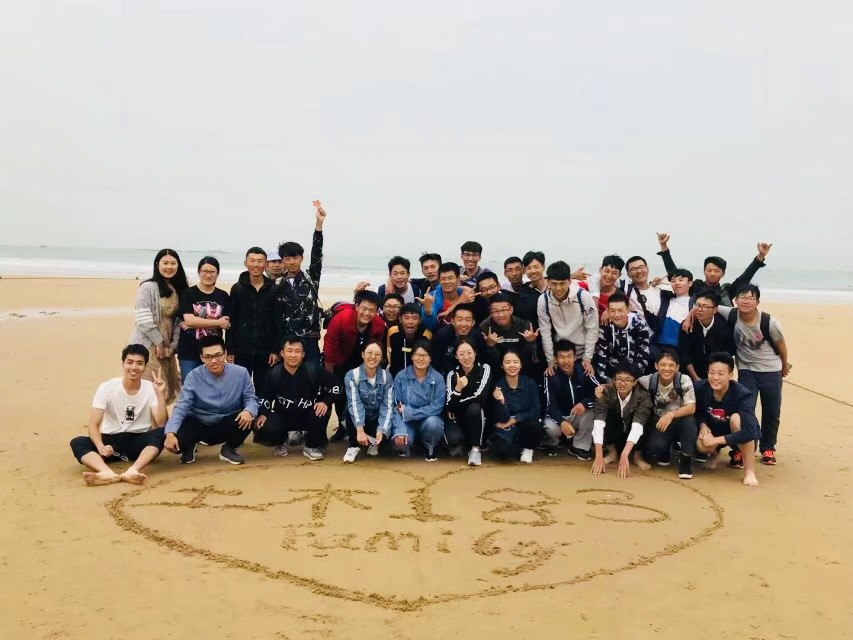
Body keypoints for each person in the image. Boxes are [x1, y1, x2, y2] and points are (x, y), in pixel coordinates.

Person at [69, 344, 167, 486]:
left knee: (162, 433)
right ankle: (106, 472)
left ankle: (133, 470)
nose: (134, 367)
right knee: (78, 442)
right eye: (130, 362)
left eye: (139, 363)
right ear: (123, 364)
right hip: (111, 441)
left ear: (145, 366)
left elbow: (162, 422)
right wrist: (101, 446)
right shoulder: (107, 387)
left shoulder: (150, 388)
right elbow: (94, 425)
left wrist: (160, 394)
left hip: (139, 441)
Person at [717, 285, 791, 464]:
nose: (746, 301)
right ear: (736, 300)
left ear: (757, 302)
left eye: (751, 298)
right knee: (745, 411)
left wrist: (783, 366)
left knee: (771, 411)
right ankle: (741, 450)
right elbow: (707, 305)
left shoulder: (768, 322)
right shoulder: (731, 314)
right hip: (747, 370)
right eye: (742, 297)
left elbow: (781, 346)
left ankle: (768, 448)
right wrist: (691, 314)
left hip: (770, 370)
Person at [163, 335, 259, 465]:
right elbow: (181, 406)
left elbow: (251, 398)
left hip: (227, 421)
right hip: (199, 422)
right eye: (208, 357)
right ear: (202, 358)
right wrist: (170, 432)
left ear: (225, 354)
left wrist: (249, 411)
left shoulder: (241, 373)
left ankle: (229, 449)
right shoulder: (193, 376)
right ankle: (190, 445)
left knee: (249, 417)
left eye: (218, 355)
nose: (214, 361)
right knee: (177, 444)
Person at [254, 337, 342, 461]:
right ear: (282, 353)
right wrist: (263, 413)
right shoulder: (273, 373)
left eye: (297, 351)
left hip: (308, 415)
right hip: (283, 416)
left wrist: (325, 401)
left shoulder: (313, 370)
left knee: (322, 412)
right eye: (289, 351)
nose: (293, 355)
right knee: (266, 425)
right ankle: (280, 442)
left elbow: (337, 386)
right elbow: (265, 397)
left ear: (303, 354)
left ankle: (311, 446)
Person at [323, 290, 387, 438]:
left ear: (377, 311)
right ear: (356, 306)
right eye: (364, 308)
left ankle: (356, 426)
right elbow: (329, 348)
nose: (367, 313)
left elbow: (377, 348)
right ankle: (341, 426)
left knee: (359, 394)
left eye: (372, 310)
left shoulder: (378, 324)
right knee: (338, 393)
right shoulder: (341, 319)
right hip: (339, 360)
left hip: (362, 361)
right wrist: (329, 376)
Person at [131, 248, 189, 405]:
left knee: (165, 389)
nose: (169, 267)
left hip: (167, 348)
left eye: (173, 263)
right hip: (148, 344)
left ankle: (161, 420)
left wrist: (173, 346)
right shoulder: (148, 287)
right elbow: (143, 319)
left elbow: (180, 321)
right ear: (157, 264)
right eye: (165, 263)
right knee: (148, 388)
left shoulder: (179, 289)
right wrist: (158, 343)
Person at [693, 351, 761, 486]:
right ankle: (714, 455)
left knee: (736, 419)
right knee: (701, 445)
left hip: (738, 433)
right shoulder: (700, 387)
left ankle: (749, 471)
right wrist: (702, 425)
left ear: (730, 375)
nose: (715, 377)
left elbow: (749, 432)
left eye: (720, 374)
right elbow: (698, 411)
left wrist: (715, 440)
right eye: (711, 373)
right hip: (714, 429)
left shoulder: (743, 395)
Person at [272, 202, 327, 364]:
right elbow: (274, 318)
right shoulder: (276, 284)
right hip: (287, 342)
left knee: (312, 376)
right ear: (283, 260)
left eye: (295, 258)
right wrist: (276, 347)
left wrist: (319, 225)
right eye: (287, 258)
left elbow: (317, 254)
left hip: (310, 340)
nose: (292, 262)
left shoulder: (311, 278)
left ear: (301, 258)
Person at [656, 233, 773, 305]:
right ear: (704, 271)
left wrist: (760, 256)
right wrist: (663, 246)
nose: (712, 273)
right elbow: (674, 274)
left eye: (717, 271)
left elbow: (745, 277)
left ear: (723, 273)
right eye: (709, 270)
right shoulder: (695, 286)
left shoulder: (727, 291)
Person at [637, 349, 697, 479]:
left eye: (671, 365)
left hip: (679, 421)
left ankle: (686, 460)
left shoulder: (683, 379)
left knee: (690, 422)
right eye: (663, 365)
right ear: (656, 365)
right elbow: (628, 381)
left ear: (677, 367)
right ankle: (665, 450)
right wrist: (604, 387)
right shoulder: (649, 380)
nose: (667, 369)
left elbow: (691, 407)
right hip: (660, 423)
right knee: (653, 448)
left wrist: (670, 415)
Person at [590, 361, 653, 478]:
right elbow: (598, 422)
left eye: (628, 380)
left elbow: (637, 426)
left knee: (645, 421)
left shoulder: (643, 396)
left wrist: (624, 455)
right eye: (619, 379)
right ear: (614, 380)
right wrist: (598, 456)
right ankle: (612, 452)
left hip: (632, 433)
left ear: (634, 382)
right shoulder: (605, 392)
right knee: (606, 415)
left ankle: (637, 455)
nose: (623, 383)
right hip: (616, 433)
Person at [226, 246, 277, 391]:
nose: (256, 264)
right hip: (241, 350)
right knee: (240, 389)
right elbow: (231, 321)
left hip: (265, 351)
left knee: (264, 390)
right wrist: (230, 350)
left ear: (266, 264)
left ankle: (261, 407)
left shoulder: (273, 289)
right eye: (252, 260)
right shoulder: (237, 289)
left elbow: (277, 322)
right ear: (246, 263)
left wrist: (275, 349)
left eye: (260, 261)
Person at [538, 261, 599, 376]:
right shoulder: (543, 300)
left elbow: (592, 328)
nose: (558, 288)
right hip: (560, 355)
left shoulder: (583, 297)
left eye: (562, 283)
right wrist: (550, 360)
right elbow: (545, 332)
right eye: (554, 284)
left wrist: (587, 358)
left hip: (583, 353)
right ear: (548, 282)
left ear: (569, 281)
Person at [176, 256, 230, 382]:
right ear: (199, 272)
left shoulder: (223, 296)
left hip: (214, 352)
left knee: (214, 387)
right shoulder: (188, 293)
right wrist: (218, 322)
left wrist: (197, 323)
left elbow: (226, 323)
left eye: (212, 272)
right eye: (204, 271)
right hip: (189, 351)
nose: (208, 275)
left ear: (217, 274)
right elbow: (189, 320)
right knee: (190, 387)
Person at [391, 341, 446, 461]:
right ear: (412, 357)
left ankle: (429, 445)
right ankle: (407, 443)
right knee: (401, 442)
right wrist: (400, 430)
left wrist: (410, 412)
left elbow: (437, 407)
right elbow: (396, 406)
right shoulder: (401, 376)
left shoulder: (438, 378)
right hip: (405, 420)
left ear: (430, 358)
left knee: (434, 424)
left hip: (427, 419)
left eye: (425, 355)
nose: (421, 359)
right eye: (418, 355)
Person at [543, 341, 596, 460]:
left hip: (577, 415)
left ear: (575, 357)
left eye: (569, 356)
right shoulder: (550, 374)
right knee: (549, 427)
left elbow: (598, 392)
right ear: (556, 359)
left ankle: (579, 446)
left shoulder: (584, 370)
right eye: (561, 357)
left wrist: (584, 403)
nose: (566, 361)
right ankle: (552, 444)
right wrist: (561, 421)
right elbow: (549, 405)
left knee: (592, 411)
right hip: (559, 417)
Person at [342, 340, 395, 463]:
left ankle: (374, 443)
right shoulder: (352, 375)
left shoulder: (387, 377)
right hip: (359, 419)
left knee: (386, 425)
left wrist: (382, 430)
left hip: (376, 418)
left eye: (377, 354)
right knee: (350, 413)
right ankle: (353, 446)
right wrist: (360, 430)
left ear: (382, 358)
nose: (373, 357)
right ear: (362, 354)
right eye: (369, 353)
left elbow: (387, 406)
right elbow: (354, 404)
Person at [444, 337, 493, 465]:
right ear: (456, 356)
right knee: (454, 439)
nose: (466, 357)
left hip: (478, 416)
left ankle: (475, 450)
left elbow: (480, 398)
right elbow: (449, 405)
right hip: (459, 418)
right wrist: (458, 388)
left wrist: (456, 403)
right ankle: (464, 443)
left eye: (469, 353)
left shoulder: (484, 369)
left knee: (474, 408)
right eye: (461, 354)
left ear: (475, 353)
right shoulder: (452, 374)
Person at [491, 350, 542, 464]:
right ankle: (514, 446)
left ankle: (528, 448)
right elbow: (502, 418)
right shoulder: (499, 385)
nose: (512, 365)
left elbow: (536, 410)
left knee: (533, 424)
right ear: (502, 365)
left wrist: (515, 419)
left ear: (521, 364)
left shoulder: (530, 383)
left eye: (515, 362)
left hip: (525, 423)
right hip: (506, 426)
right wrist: (502, 402)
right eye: (507, 362)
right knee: (502, 452)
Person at [592, 291, 652, 381]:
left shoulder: (640, 326)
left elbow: (643, 357)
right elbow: (602, 355)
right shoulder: (605, 326)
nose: (616, 315)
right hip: (612, 374)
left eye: (620, 310)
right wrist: (605, 380)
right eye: (612, 311)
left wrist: (629, 380)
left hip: (633, 375)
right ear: (607, 311)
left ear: (628, 309)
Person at [678, 289, 736, 381]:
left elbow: (728, 355)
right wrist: (696, 378)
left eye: (705, 306)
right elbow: (684, 354)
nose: (699, 309)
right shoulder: (687, 326)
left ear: (715, 310)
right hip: (690, 375)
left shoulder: (724, 328)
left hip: (715, 375)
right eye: (697, 305)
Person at [480, 292, 539, 371]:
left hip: (521, 367)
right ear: (490, 312)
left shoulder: (523, 325)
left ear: (511, 310)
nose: (500, 315)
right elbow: (489, 360)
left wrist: (531, 341)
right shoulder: (485, 327)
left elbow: (531, 357)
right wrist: (490, 346)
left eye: (504, 310)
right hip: (497, 369)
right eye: (496, 311)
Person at [420, 262, 477, 330]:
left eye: (450, 278)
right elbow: (430, 327)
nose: (447, 282)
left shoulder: (466, 294)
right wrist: (428, 312)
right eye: (443, 279)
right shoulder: (432, 297)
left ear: (458, 279)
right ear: (439, 280)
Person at [431, 304, 485, 374]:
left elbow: (481, 358)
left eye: (468, 320)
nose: (463, 324)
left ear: (473, 322)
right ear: (453, 321)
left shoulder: (478, 336)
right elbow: (437, 360)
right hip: (447, 372)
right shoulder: (441, 336)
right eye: (460, 320)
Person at [386, 303, 432, 376]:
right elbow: (388, 352)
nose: (410, 322)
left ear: (420, 320)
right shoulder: (392, 332)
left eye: (414, 318)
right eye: (406, 318)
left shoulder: (426, 335)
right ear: (400, 319)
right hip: (395, 376)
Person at [622, 255, 664, 334]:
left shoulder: (660, 291)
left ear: (647, 269)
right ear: (628, 275)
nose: (638, 271)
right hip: (636, 337)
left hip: (658, 338)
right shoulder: (625, 289)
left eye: (641, 267)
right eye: (633, 269)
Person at [655, 268, 693, 349]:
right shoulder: (665, 298)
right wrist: (654, 283)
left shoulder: (695, 303)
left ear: (690, 283)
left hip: (681, 347)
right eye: (673, 281)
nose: (677, 283)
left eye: (681, 280)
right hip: (660, 344)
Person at [580, 254, 624, 319]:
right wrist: (572, 276)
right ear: (600, 270)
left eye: (614, 273)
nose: (609, 276)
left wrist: (612, 310)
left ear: (619, 275)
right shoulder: (585, 288)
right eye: (607, 271)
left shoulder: (620, 296)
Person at [515, 250, 548, 325]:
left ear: (543, 267)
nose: (532, 271)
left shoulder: (554, 286)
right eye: (529, 268)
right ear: (525, 270)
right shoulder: (523, 291)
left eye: (536, 267)